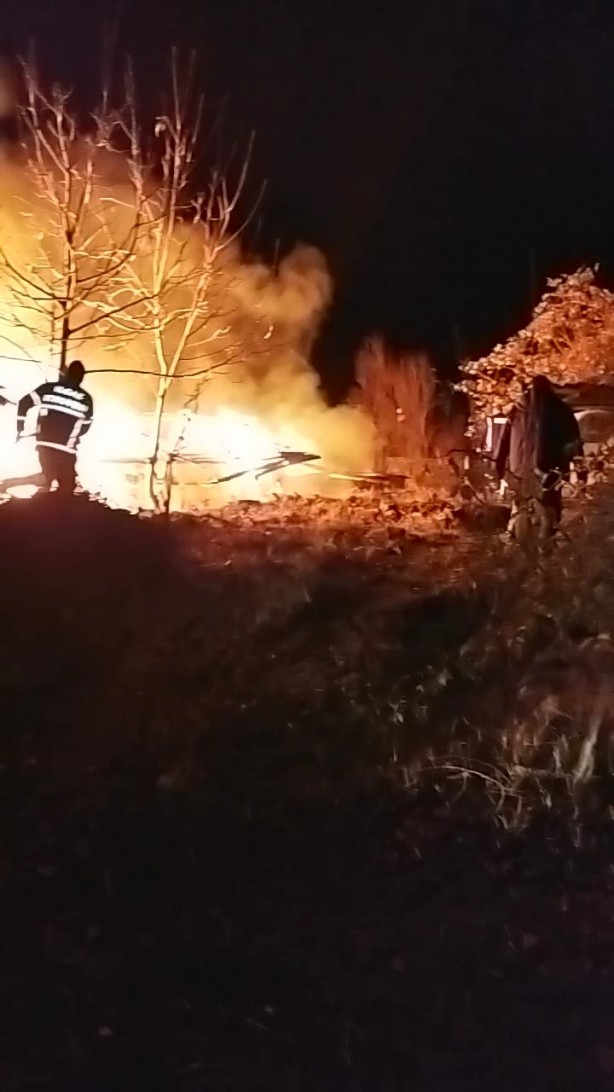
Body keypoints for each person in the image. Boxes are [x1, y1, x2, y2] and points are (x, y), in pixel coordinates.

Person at [495, 374, 583, 533]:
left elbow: (503, 443)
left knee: (521, 512)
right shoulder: (560, 410)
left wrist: (498, 469)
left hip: (520, 473)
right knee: (548, 515)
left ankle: (522, 546)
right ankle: (543, 549)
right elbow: (574, 443)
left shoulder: (517, 411)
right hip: (550, 473)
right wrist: (580, 473)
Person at [16, 360, 94, 495]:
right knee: (65, 485)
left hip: (44, 444)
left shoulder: (48, 389)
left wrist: (20, 427)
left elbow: (24, 403)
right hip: (66, 448)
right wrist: (70, 434)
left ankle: (39, 500)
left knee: (48, 476)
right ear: (81, 377)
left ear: (66, 374)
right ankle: (11, 485)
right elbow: (85, 427)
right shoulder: (86, 399)